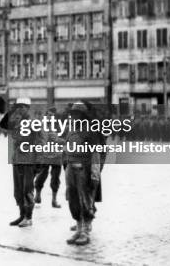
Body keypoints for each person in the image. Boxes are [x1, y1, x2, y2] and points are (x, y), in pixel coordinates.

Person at [63, 101, 101, 246]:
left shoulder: (90, 131)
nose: (74, 116)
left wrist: (94, 173)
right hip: (70, 169)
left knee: (85, 201)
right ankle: (78, 229)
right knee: (73, 200)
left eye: (77, 114)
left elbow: (95, 154)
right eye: (73, 114)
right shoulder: (71, 129)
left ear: (83, 115)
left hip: (83, 169)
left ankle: (85, 231)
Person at [0, 97, 36, 228]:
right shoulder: (16, 121)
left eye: (22, 106)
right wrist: (11, 110)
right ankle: (22, 215)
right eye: (18, 106)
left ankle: (28, 217)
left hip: (29, 160)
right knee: (18, 190)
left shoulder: (33, 122)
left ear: (28, 108)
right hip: (17, 159)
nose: (20, 109)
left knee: (27, 189)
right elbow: (2, 124)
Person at [34, 107, 64, 208]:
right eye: (49, 115)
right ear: (45, 116)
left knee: (55, 178)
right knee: (42, 176)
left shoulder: (59, 126)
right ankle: (37, 195)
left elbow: (61, 138)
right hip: (45, 155)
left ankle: (54, 200)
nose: (51, 117)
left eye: (52, 116)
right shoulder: (40, 126)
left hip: (57, 156)